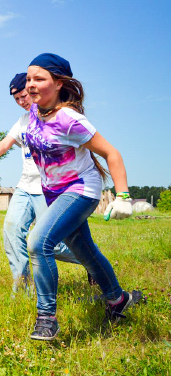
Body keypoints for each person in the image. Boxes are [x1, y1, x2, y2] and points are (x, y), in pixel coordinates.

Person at [22, 53, 141, 340]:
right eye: (29, 79)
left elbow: (112, 153)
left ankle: (46, 318)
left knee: (38, 243)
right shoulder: (35, 112)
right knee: (84, 251)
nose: (31, 85)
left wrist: (123, 196)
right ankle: (118, 300)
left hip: (79, 190)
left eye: (39, 79)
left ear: (59, 83)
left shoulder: (69, 119)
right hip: (54, 192)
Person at [0, 73, 94, 294]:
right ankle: (23, 289)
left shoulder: (57, 115)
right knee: (12, 231)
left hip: (49, 189)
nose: (21, 102)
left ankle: (90, 261)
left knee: (49, 244)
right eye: (16, 99)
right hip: (25, 187)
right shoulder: (23, 122)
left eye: (23, 95)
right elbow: (6, 143)